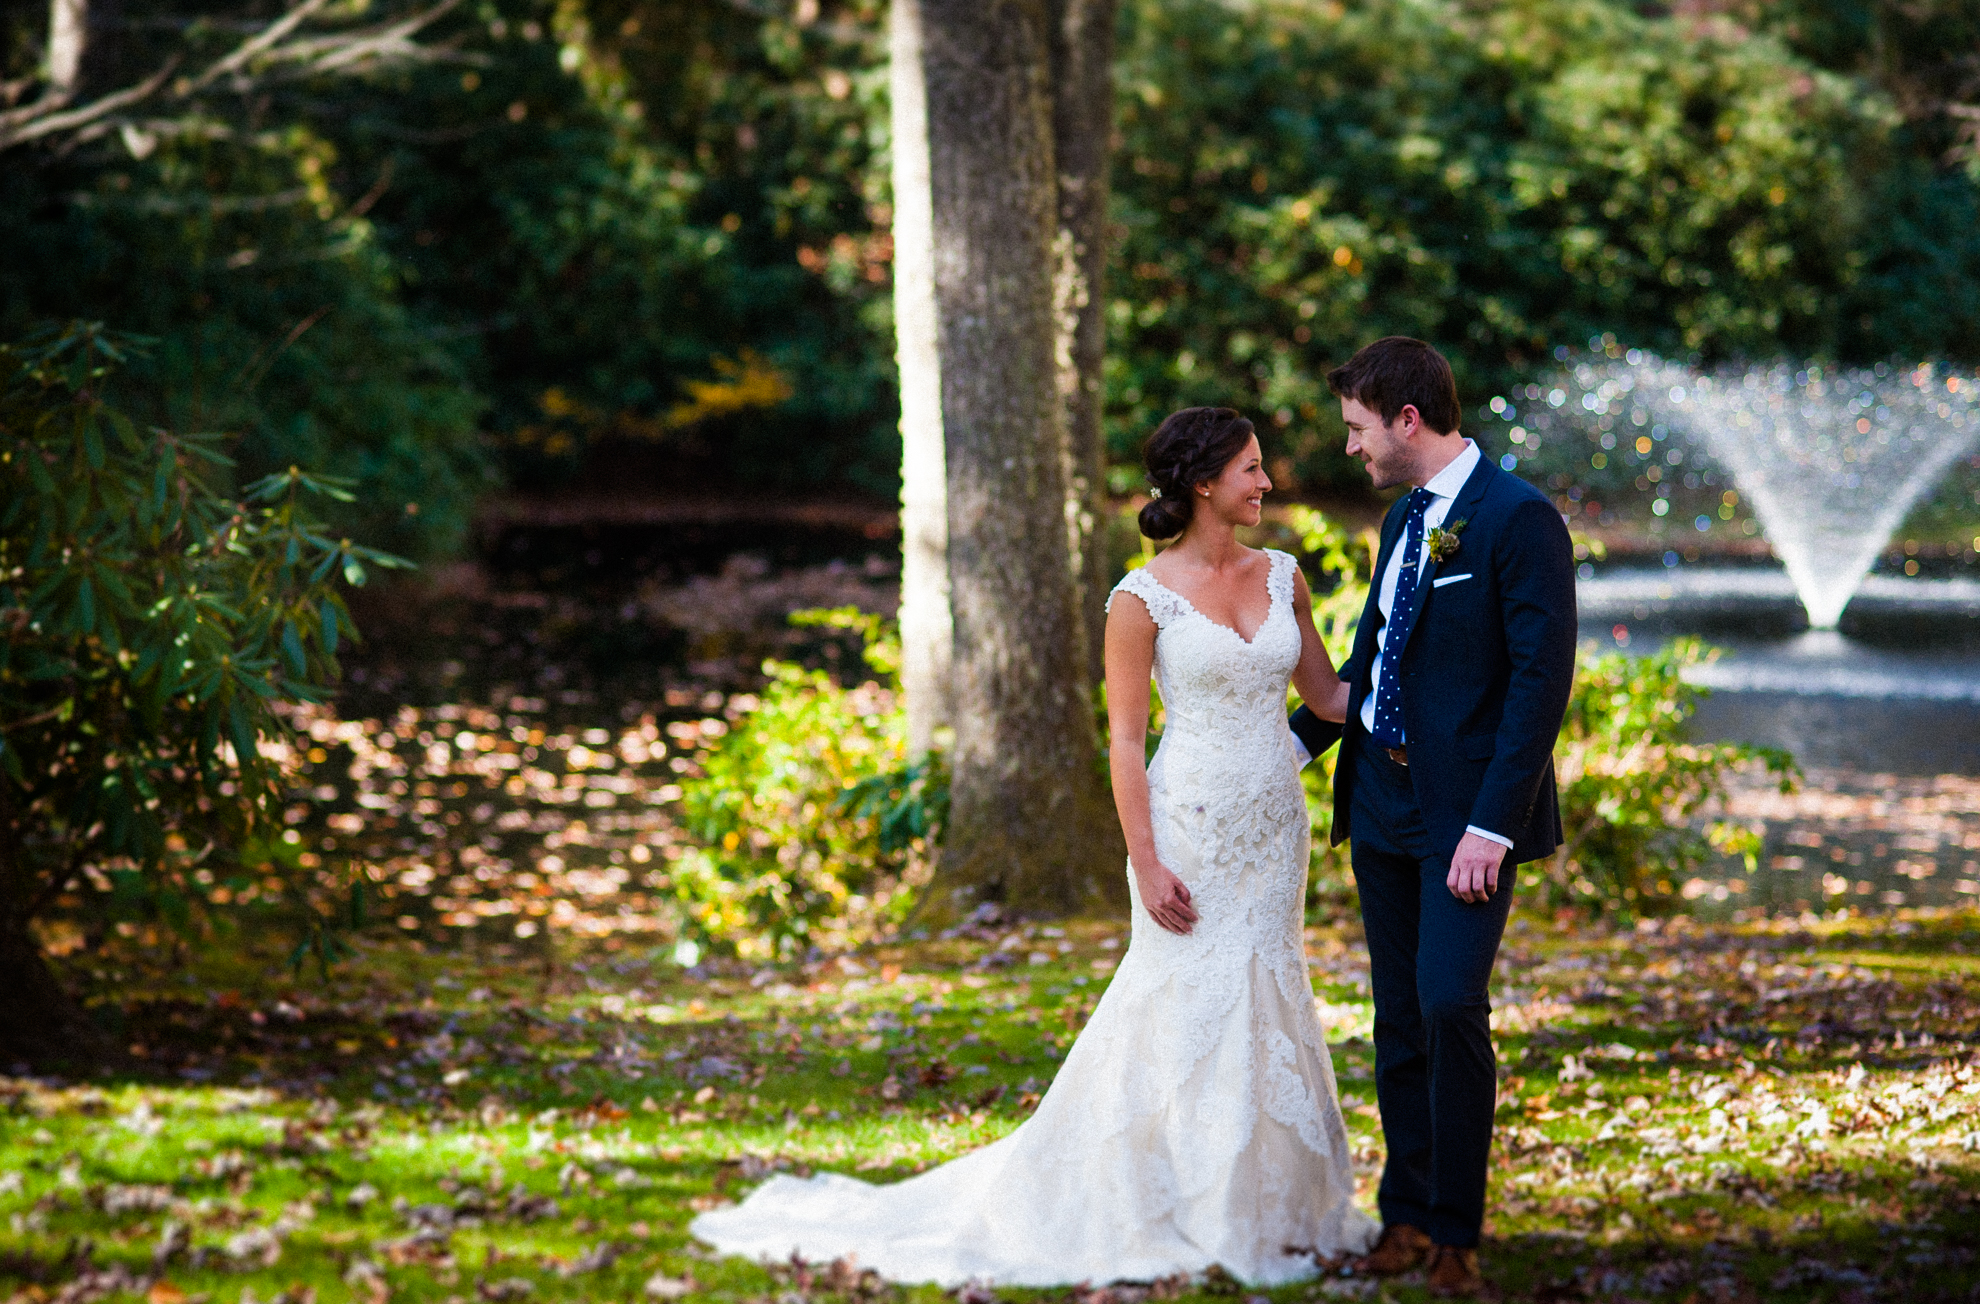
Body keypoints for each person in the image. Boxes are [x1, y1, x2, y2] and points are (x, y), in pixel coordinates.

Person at [688, 406, 1376, 1286]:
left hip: (1274, 827)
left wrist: (1419, 669)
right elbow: (1124, 742)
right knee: (1184, 992)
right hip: (1188, 825)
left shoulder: (1283, 577)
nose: (1267, 482)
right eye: (1250, 468)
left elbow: (1326, 699)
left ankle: (1266, 1201)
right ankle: (1162, 1196)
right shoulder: (1140, 599)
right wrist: (1145, 858)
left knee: (1268, 981)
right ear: (1205, 482)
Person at [1289, 337, 1576, 1296]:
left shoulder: (1520, 519)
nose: (1351, 449)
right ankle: (1406, 1219)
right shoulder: (1403, 524)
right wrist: (1285, 749)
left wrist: (1491, 827)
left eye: (1357, 429)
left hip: (1467, 818)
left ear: (1407, 420)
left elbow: (1541, 685)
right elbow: (1371, 663)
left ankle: (1459, 1231)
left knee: (1451, 1002)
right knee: (1399, 1016)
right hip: (1381, 803)